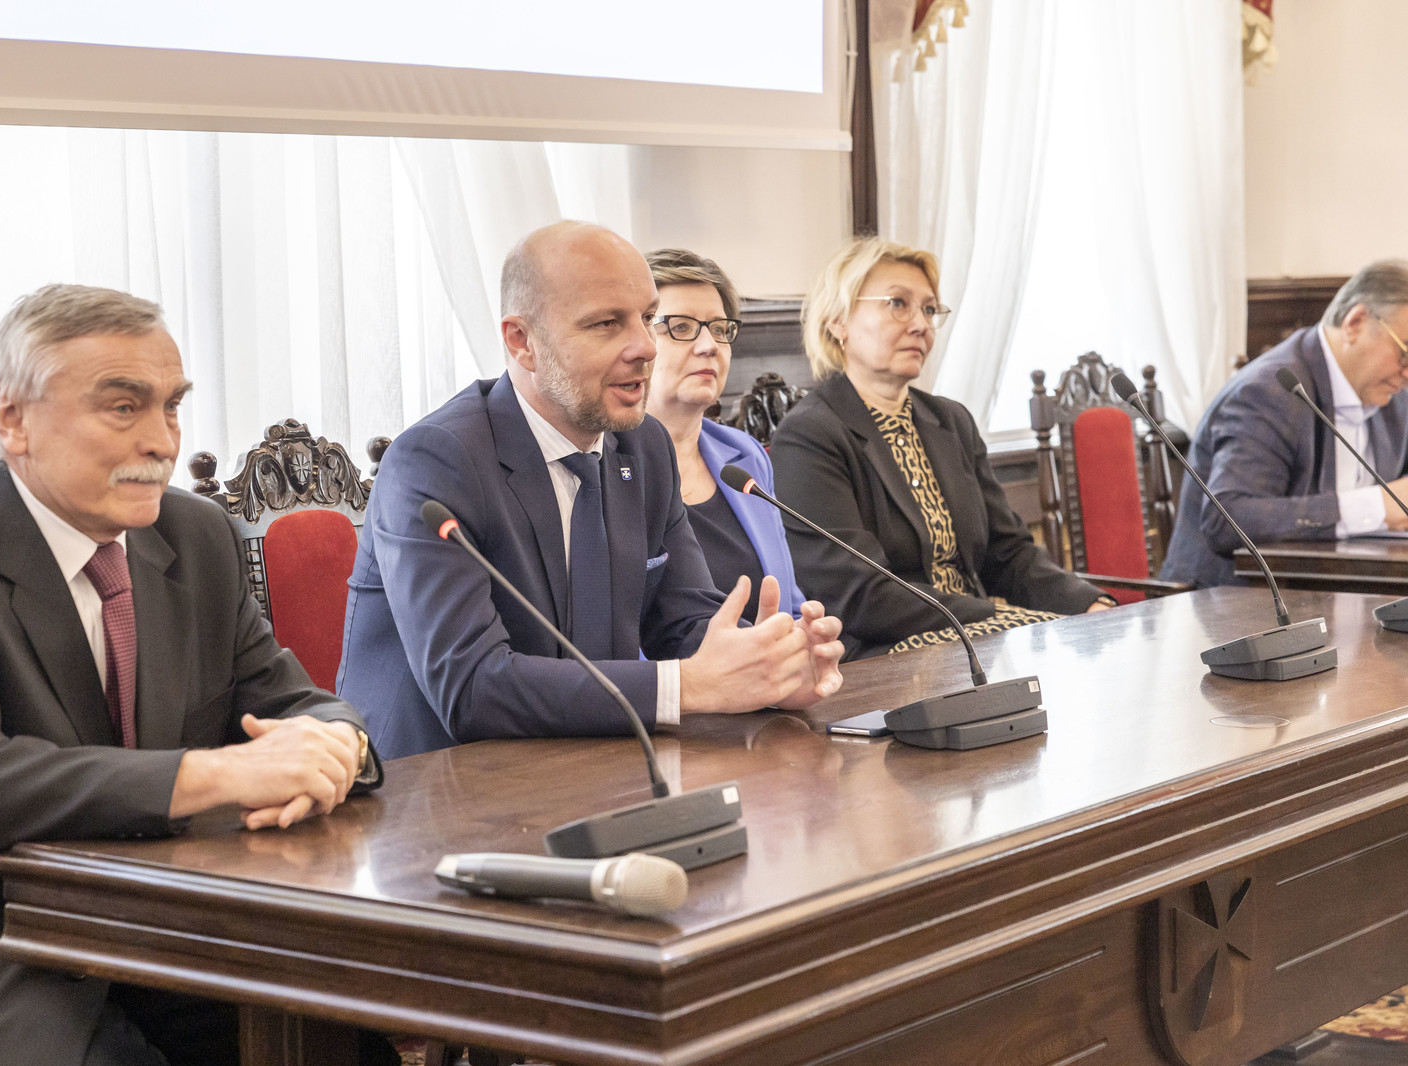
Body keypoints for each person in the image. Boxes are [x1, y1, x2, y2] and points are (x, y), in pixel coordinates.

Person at [0, 284, 382, 1066]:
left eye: (171, 407)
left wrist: (336, 745)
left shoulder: (197, 535)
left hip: (155, 930)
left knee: (345, 1038)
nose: (162, 441)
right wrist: (220, 774)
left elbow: (294, 702)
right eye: (123, 407)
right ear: (12, 418)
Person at [338, 221, 844, 761]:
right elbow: (471, 686)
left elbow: (684, 619)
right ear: (522, 341)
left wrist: (768, 664)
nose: (645, 347)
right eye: (606, 324)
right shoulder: (436, 461)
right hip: (439, 784)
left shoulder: (644, 445)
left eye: (647, 318)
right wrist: (688, 686)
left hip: (597, 764)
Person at [770, 236, 1109, 661]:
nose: (920, 324)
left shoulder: (951, 420)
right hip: (885, 653)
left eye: (929, 309)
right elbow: (861, 594)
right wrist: (1005, 618)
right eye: (897, 303)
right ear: (838, 321)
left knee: (1101, 643)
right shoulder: (809, 435)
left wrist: (1088, 604)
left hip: (984, 637)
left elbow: (1009, 553)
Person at [1161, 260, 1408, 587]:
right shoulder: (1268, 392)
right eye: (1405, 353)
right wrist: (1375, 505)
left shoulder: (1392, 394)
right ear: (1355, 323)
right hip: (1232, 604)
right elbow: (1227, 519)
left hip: (1342, 596)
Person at [642, 247, 805, 622]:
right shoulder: (602, 463)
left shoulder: (744, 453)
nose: (709, 346)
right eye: (681, 327)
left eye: (719, 329)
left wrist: (806, 636)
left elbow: (788, 601)